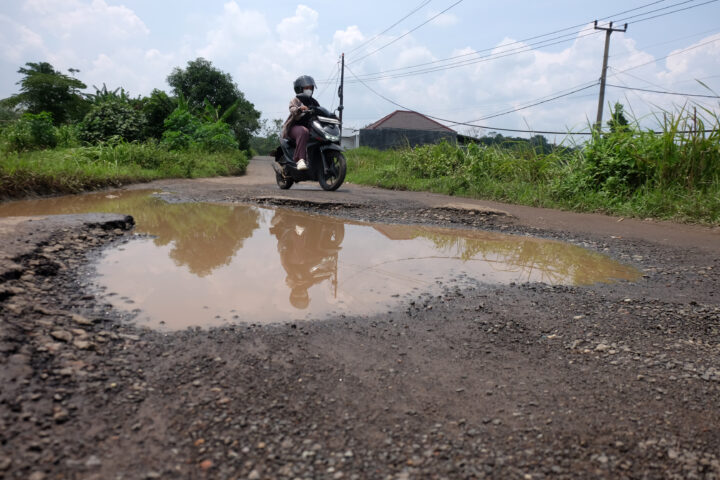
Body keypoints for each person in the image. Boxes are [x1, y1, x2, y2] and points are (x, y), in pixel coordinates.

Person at [281, 75, 320, 171]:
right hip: (294, 128)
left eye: (311, 88)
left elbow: (320, 111)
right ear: (300, 89)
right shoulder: (296, 100)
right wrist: (299, 108)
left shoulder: (314, 102)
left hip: (310, 127)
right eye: (306, 88)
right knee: (304, 131)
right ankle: (300, 160)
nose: (309, 90)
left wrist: (331, 116)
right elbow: (292, 109)